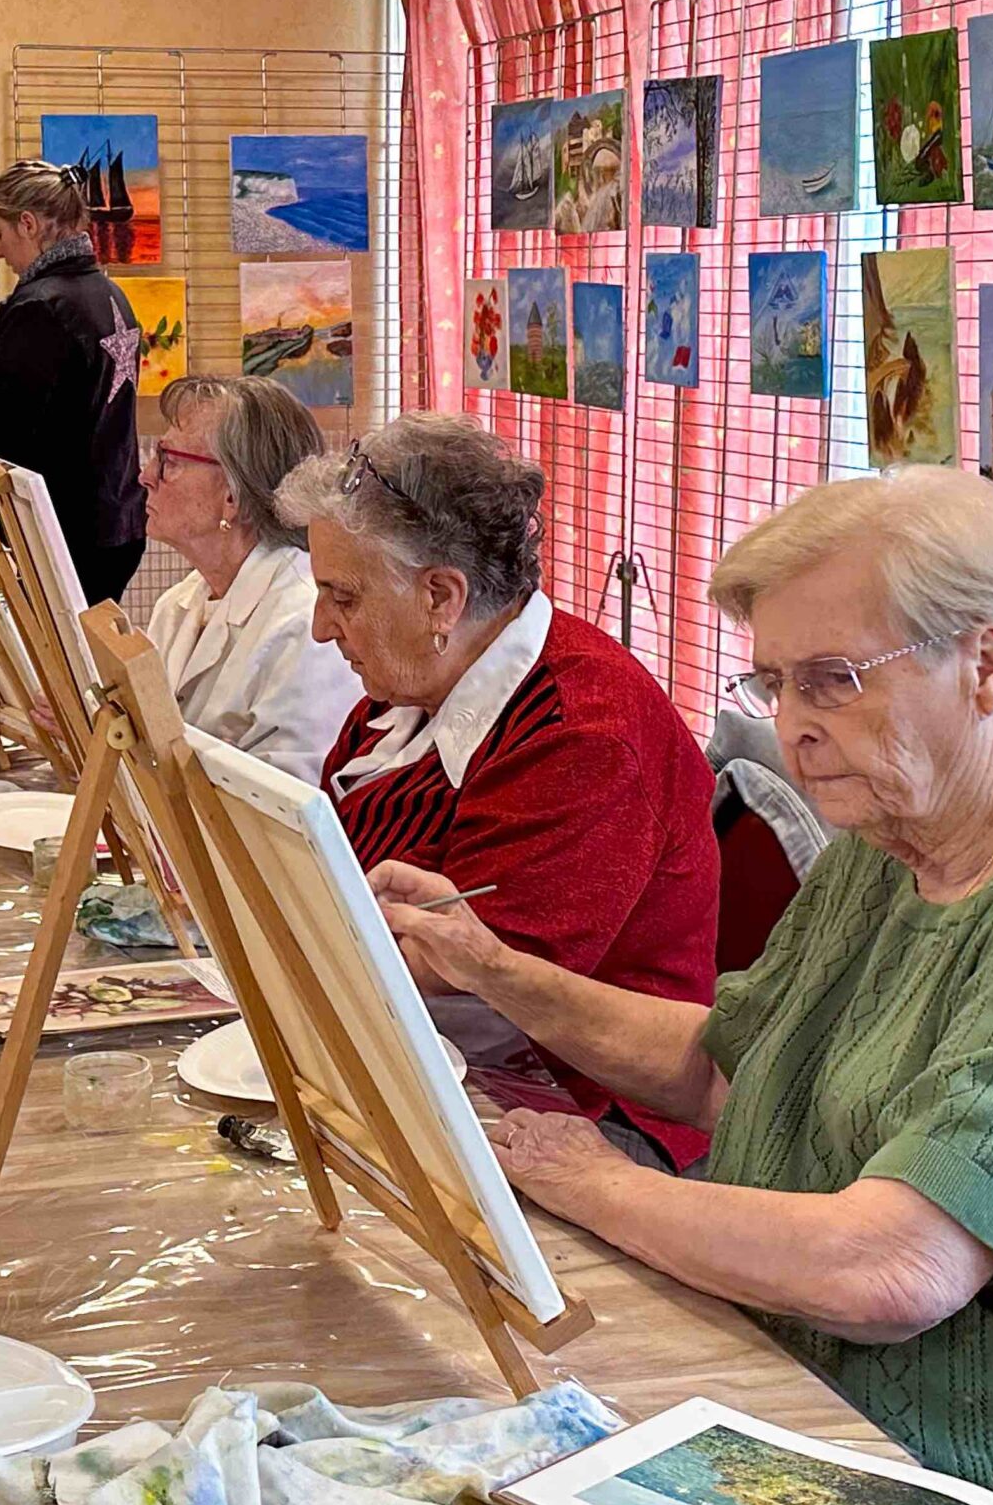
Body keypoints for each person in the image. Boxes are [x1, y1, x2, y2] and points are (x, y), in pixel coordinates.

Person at [372, 466, 993, 1505]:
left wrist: (588, 1181)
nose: (793, 726)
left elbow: (891, 1271)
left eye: (830, 679)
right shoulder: (890, 835)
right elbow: (732, 1071)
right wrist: (490, 965)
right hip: (801, 1390)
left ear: (985, 664)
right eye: (773, 684)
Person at [274, 413, 718, 1170]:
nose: (321, 629)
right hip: (439, 1046)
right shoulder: (404, 690)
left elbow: (474, 972)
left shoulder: (582, 732)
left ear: (442, 599)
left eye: (342, 598)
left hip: (593, 1105)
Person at [0, 162, 147, 604]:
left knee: (61, 671)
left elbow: (3, 434)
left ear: (27, 224)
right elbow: (65, 393)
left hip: (63, 527)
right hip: (115, 517)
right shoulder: (107, 293)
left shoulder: (41, 305)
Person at [140, 375, 360, 784]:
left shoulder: (308, 626)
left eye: (168, 461)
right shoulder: (179, 604)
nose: (146, 476)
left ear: (233, 496)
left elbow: (290, 807)